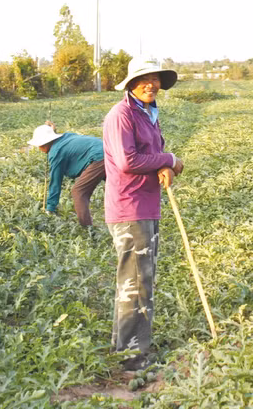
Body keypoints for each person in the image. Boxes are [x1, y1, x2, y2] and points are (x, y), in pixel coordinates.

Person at [102, 56, 184, 371]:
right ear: (131, 83)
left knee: (140, 279)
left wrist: (165, 164)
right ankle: (131, 358)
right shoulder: (121, 115)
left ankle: (131, 349)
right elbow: (128, 161)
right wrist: (170, 158)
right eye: (143, 78)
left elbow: (149, 156)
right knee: (135, 282)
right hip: (130, 207)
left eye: (155, 78)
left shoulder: (148, 113)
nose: (150, 84)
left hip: (146, 205)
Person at [28, 122, 105, 226]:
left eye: (39, 145)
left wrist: (50, 208)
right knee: (118, 186)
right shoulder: (66, 136)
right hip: (109, 151)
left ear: (44, 143)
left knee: (78, 192)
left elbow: (55, 182)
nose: (39, 148)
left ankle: (87, 229)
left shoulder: (56, 152)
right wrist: (52, 131)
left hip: (99, 158)